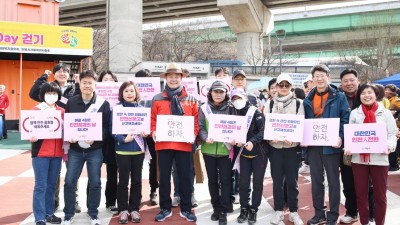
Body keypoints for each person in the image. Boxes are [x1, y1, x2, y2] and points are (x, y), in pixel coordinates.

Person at [29, 63, 81, 212]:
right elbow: (33, 93)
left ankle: (74, 200)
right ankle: (54, 201)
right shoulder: (48, 88)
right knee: (52, 176)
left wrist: (77, 84)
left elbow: (78, 103)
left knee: (72, 172)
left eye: (65, 71)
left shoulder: (73, 89)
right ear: (54, 74)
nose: (62, 73)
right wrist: (43, 77)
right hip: (49, 141)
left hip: (67, 137)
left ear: (69, 74)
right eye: (58, 71)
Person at [151, 63, 199, 222]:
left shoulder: (191, 99)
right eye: (170, 76)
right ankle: (165, 208)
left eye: (176, 76)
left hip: (184, 144)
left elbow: (195, 122)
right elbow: (152, 119)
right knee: (164, 178)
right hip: (164, 144)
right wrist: (154, 131)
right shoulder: (157, 98)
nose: (173, 79)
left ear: (181, 78)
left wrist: (193, 133)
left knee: (185, 177)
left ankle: (186, 208)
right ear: (166, 78)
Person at [344, 83, 397, 225]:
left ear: (376, 95)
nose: (367, 95)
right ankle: (365, 222)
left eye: (370, 93)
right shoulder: (355, 113)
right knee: (361, 195)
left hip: (380, 158)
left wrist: (389, 147)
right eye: (363, 93)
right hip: (358, 160)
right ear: (359, 96)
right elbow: (351, 135)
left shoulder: (385, 113)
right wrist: (348, 147)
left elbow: (392, 134)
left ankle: (380, 222)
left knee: (380, 196)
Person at [62, 70, 111, 225]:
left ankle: (93, 213)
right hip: (75, 150)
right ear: (80, 84)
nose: (87, 86)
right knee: (70, 181)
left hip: (94, 150)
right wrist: (70, 136)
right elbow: (68, 124)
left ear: (95, 84)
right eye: (84, 82)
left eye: (90, 83)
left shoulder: (103, 104)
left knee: (95, 182)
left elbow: (106, 127)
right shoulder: (71, 102)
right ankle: (68, 214)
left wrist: (96, 137)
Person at [303, 65, 350, 225]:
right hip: (314, 145)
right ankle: (319, 213)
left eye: (323, 75)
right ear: (313, 78)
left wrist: (341, 137)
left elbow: (345, 118)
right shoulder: (308, 98)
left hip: (331, 145)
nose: (320, 78)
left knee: (333, 181)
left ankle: (333, 214)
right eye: (317, 76)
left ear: (328, 77)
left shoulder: (339, 96)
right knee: (316, 181)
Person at [264, 74, 305, 225]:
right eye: (281, 85)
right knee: (277, 181)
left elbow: (301, 126)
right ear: (276, 87)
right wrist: (270, 137)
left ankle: (293, 211)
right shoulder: (269, 104)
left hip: (291, 148)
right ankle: (278, 211)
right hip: (275, 147)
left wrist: (294, 138)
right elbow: (266, 125)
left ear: (291, 86)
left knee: (292, 181)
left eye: (286, 85)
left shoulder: (299, 104)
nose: (283, 88)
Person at [198, 80, 236, 225]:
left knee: (226, 181)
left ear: (226, 93)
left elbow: (237, 127)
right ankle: (216, 207)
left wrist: (234, 138)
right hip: (208, 151)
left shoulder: (232, 109)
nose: (218, 94)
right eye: (216, 91)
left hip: (226, 151)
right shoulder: (204, 108)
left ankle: (224, 210)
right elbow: (200, 126)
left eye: (221, 92)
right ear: (211, 93)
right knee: (213, 181)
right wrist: (204, 137)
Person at [111, 81, 147, 224]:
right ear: (121, 94)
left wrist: (146, 133)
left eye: (132, 91)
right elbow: (111, 129)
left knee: (137, 181)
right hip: (122, 150)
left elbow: (147, 128)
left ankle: (134, 209)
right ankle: (123, 209)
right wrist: (123, 139)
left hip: (138, 150)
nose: (129, 94)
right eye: (126, 91)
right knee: (123, 182)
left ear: (136, 93)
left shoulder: (142, 109)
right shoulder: (117, 109)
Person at [29, 82, 64, 225]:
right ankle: (40, 217)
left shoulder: (62, 111)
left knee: (51, 186)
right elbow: (28, 129)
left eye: (54, 93)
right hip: (41, 153)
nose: (51, 96)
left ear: (58, 95)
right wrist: (31, 136)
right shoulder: (36, 110)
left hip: (57, 153)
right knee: (40, 186)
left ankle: (50, 213)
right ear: (43, 95)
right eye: (48, 93)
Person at [231, 88, 267, 225]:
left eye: (239, 98)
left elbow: (263, 131)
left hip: (259, 153)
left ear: (245, 97)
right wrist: (232, 140)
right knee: (243, 183)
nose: (237, 101)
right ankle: (244, 208)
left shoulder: (256, 112)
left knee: (257, 183)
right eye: (234, 99)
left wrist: (253, 141)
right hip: (243, 154)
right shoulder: (233, 112)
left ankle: (254, 209)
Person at [97, 70, 119, 215]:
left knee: (112, 173)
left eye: (111, 79)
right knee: (94, 173)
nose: (109, 82)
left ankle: (110, 202)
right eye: (105, 79)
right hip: (97, 138)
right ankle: (91, 205)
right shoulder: (95, 98)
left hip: (113, 140)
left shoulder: (120, 98)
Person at [136, 69, 159, 206]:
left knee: (154, 163)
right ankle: (136, 193)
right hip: (137, 133)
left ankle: (153, 190)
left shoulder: (156, 95)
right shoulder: (132, 93)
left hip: (151, 133)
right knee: (137, 164)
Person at [384, 84, 400, 171]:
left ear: (392, 92)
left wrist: (395, 112)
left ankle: (394, 165)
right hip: (389, 124)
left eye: (387, 90)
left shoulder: (395, 100)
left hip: (395, 125)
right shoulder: (387, 100)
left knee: (394, 146)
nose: (385, 92)